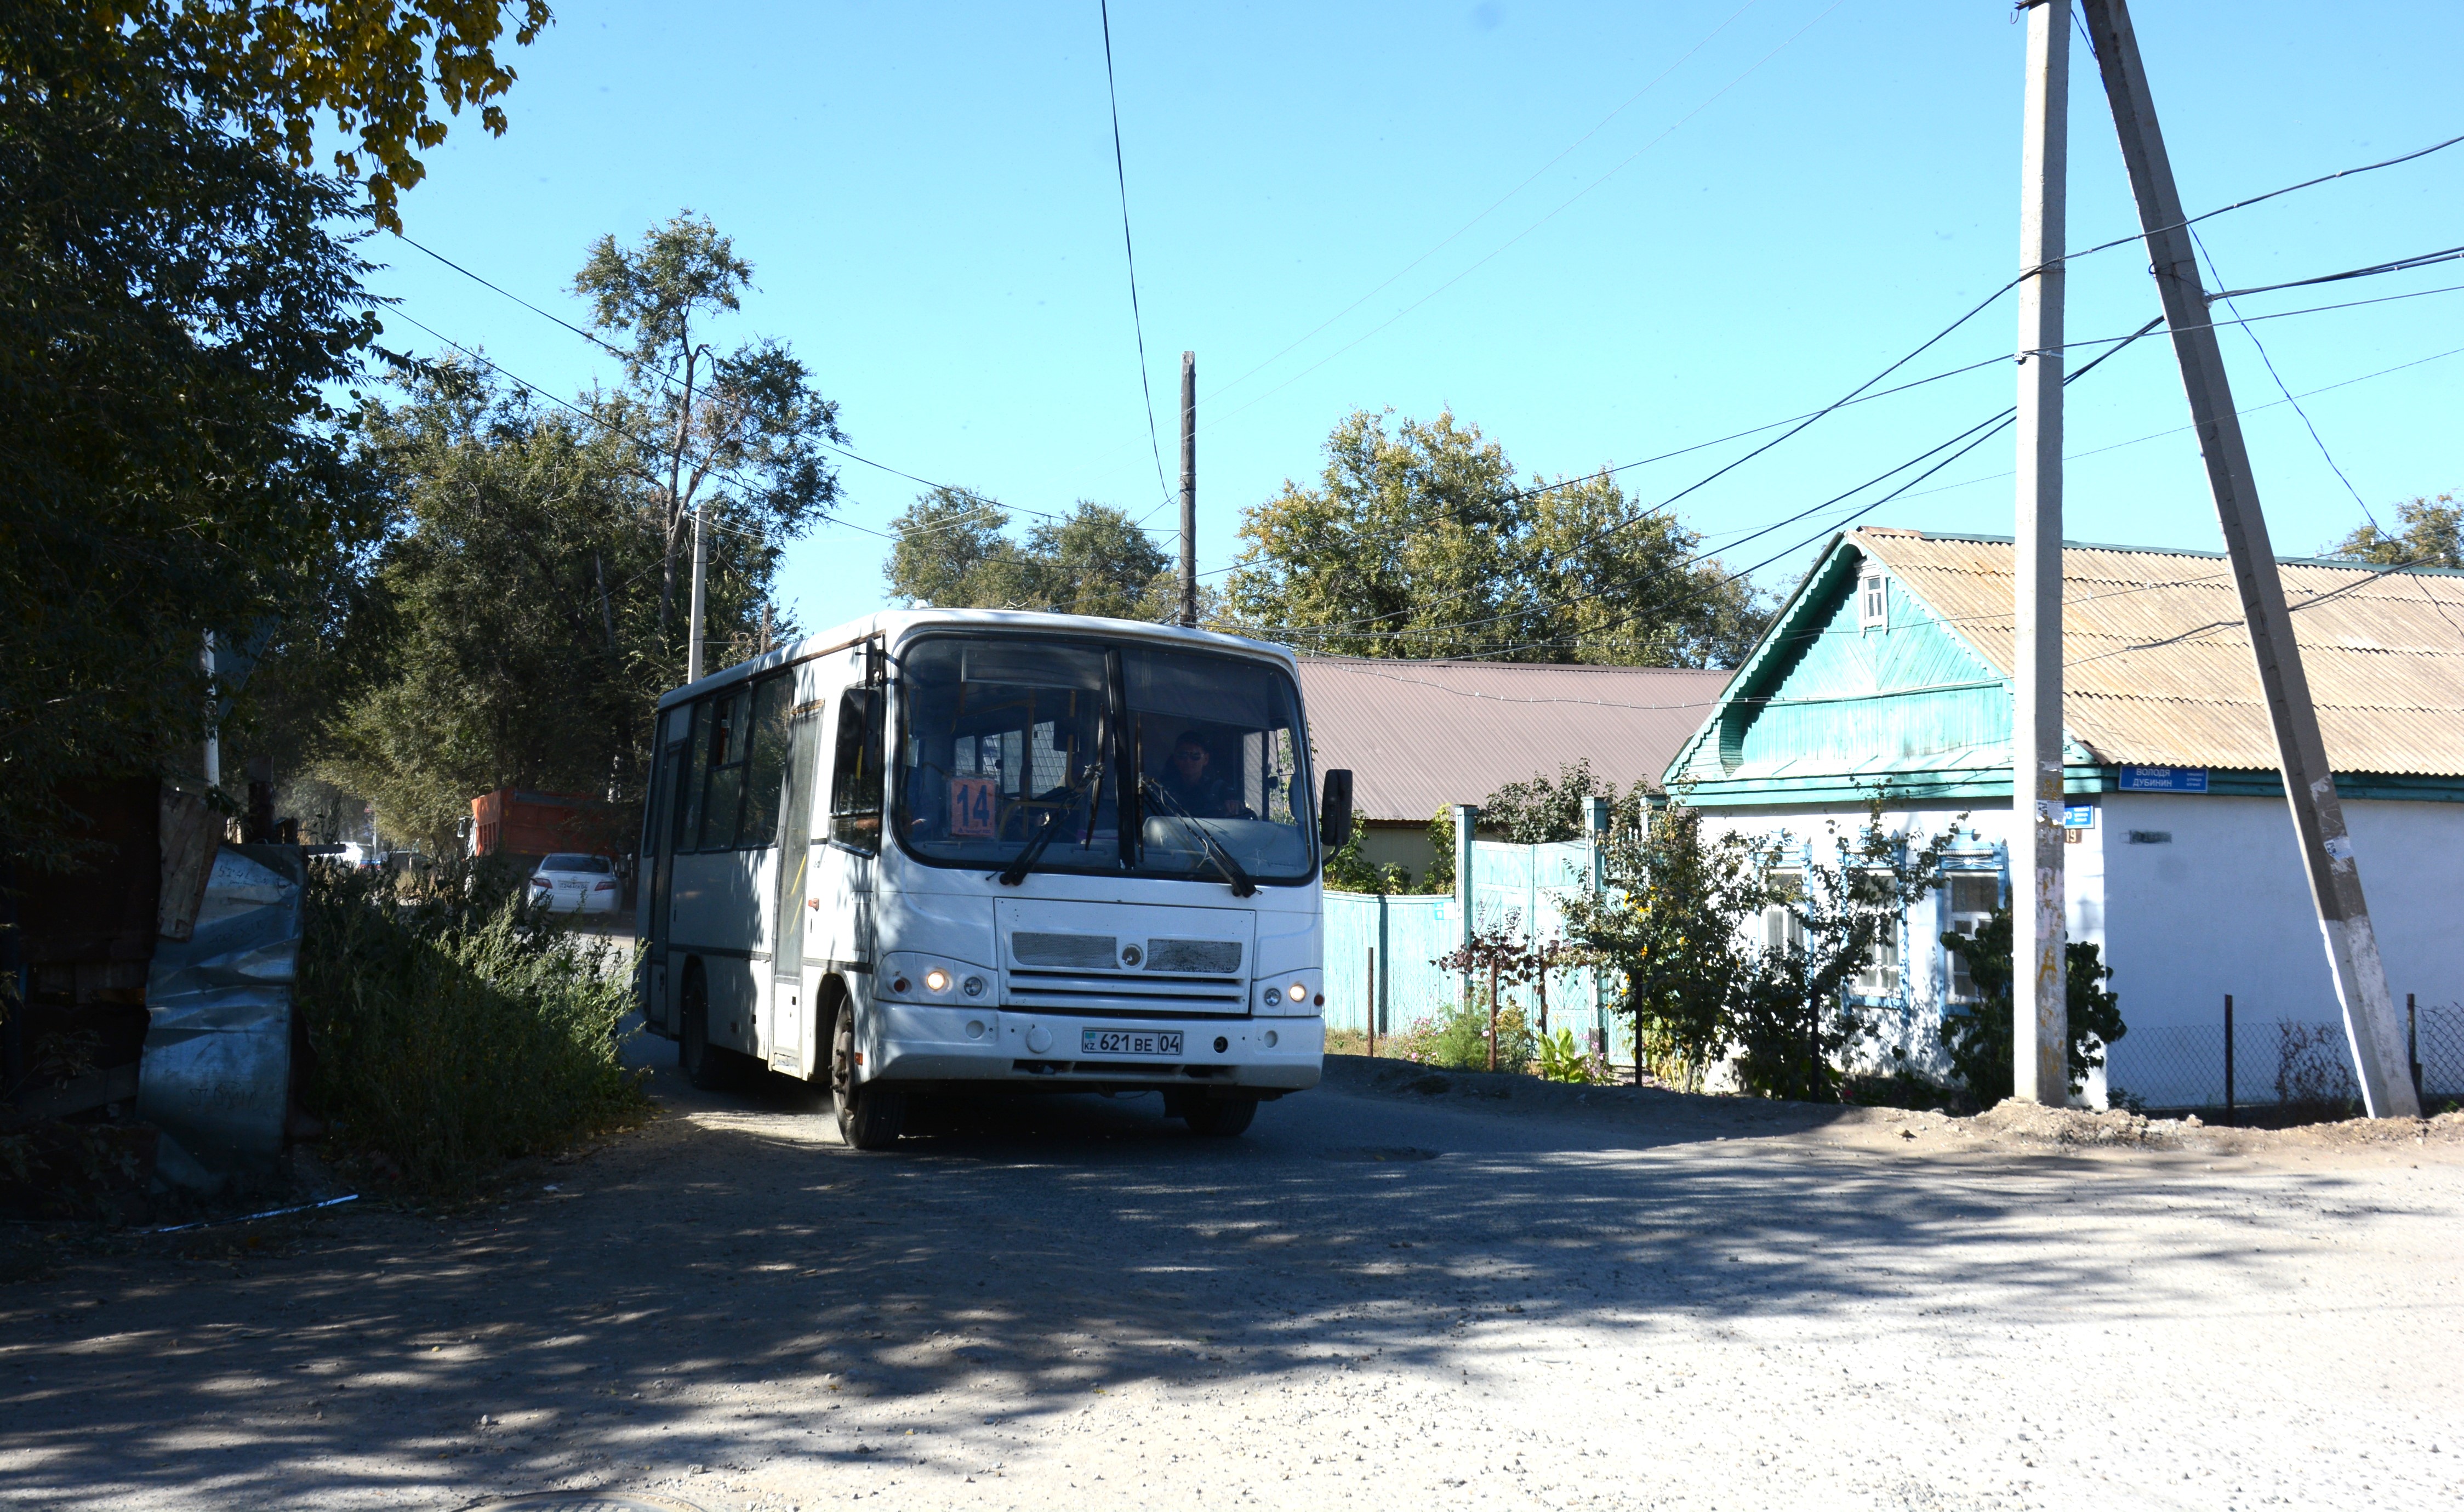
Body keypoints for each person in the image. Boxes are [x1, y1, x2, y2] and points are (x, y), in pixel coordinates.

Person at [1155, 730, 1247, 818]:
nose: (1188, 761)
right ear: (1175, 758)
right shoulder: (1163, 789)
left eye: (1195, 756)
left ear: (1206, 759)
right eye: (1182, 755)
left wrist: (1233, 804)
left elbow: (1235, 803)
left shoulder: (1219, 788)